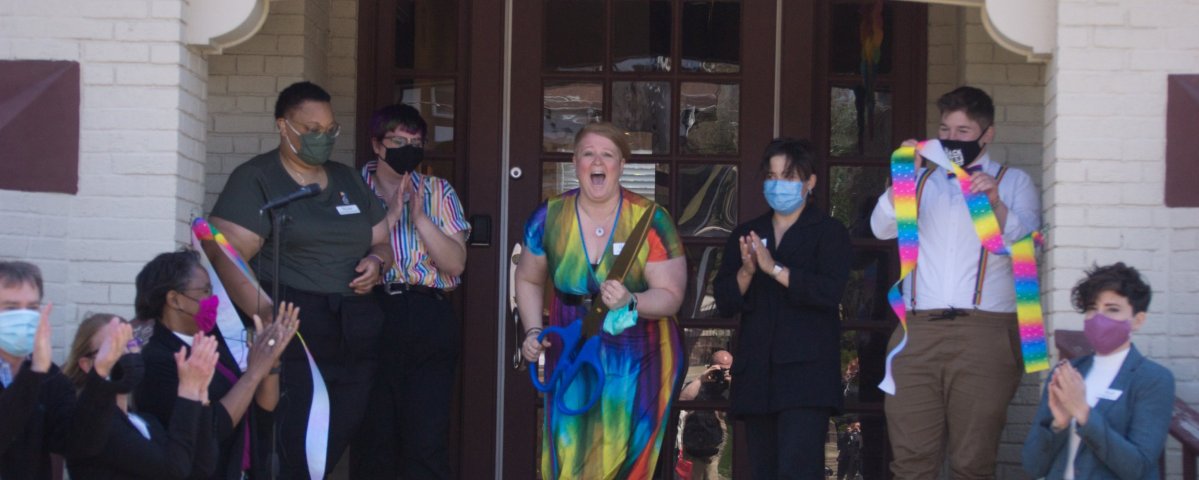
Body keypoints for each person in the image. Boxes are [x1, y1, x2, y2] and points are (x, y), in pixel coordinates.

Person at [208, 80, 393, 478]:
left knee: (339, 428)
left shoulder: (347, 180)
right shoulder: (257, 178)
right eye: (311, 131)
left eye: (330, 131)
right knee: (294, 435)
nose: (322, 139)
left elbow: (382, 241)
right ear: (283, 126)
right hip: (295, 322)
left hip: (354, 325)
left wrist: (377, 262)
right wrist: (267, 315)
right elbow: (224, 257)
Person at [869, 86, 1041, 479]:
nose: (952, 139)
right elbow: (880, 228)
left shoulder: (1012, 183)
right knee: (911, 462)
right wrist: (902, 176)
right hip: (917, 331)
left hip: (985, 331)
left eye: (964, 131)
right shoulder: (919, 180)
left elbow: (1027, 252)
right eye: (946, 129)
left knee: (972, 463)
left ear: (987, 134)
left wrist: (995, 203)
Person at [515, 122, 687, 479]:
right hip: (573, 346)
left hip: (640, 357)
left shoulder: (651, 220)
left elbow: (671, 297)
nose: (597, 162)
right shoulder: (549, 217)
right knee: (571, 450)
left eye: (607, 154)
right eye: (588, 153)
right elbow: (529, 278)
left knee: (627, 460)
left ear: (621, 164)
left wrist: (631, 299)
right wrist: (533, 331)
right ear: (575, 161)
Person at [713, 137, 852, 479]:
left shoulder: (830, 232)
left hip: (807, 376)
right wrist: (747, 271)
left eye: (789, 177)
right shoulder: (748, 232)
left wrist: (774, 268)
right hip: (758, 373)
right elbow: (725, 301)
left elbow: (828, 291)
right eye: (772, 177)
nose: (778, 185)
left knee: (799, 469)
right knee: (763, 469)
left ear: (810, 182)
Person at [349, 104, 470, 478]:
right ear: (377, 144)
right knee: (374, 434)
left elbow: (455, 264)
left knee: (426, 436)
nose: (408, 148)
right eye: (398, 141)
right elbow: (340, 253)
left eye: (415, 142)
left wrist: (418, 217)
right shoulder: (350, 188)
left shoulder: (437, 190)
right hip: (370, 309)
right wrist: (391, 215)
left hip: (426, 311)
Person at [132, 251, 300, 479]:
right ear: (174, 300)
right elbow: (212, 428)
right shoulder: (155, 359)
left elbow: (262, 414)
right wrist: (253, 373)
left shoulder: (211, 342)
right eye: (205, 291)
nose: (214, 300)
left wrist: (271, 361)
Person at [1022, 263, 1175, 479]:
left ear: (1137, 320)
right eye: (1093, 308)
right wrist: (1058, 425)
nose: (1099, 318)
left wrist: (1084, 414)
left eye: (1112, 309)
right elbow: (1032, 466)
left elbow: (1138, 468)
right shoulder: (1067, 373)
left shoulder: (1153, 379)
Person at [64, 315, 219, 479]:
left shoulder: (145, 421)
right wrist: (188, 391)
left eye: (131, 344)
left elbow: (200, 468)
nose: (126, 353)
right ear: (87, 365)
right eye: (114, 347)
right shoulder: (95, 426)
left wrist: (200, 394)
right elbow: (173, 470)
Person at [0, 261, 74, 480]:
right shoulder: (39, 372)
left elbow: (74, 443)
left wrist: (103, 379)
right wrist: (34, 374)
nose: (23, 317)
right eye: (11, 308)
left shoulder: (49, 375)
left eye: (32, 308)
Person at [677, 350, 733, 480]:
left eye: (726, 370)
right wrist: (701, 379)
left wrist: (732, 383)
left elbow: (742, 404)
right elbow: (683, 400)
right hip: (692, 444)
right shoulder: (701, 384)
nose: (721, 374)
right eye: (719, 369)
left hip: (716, 446)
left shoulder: (730, 387)